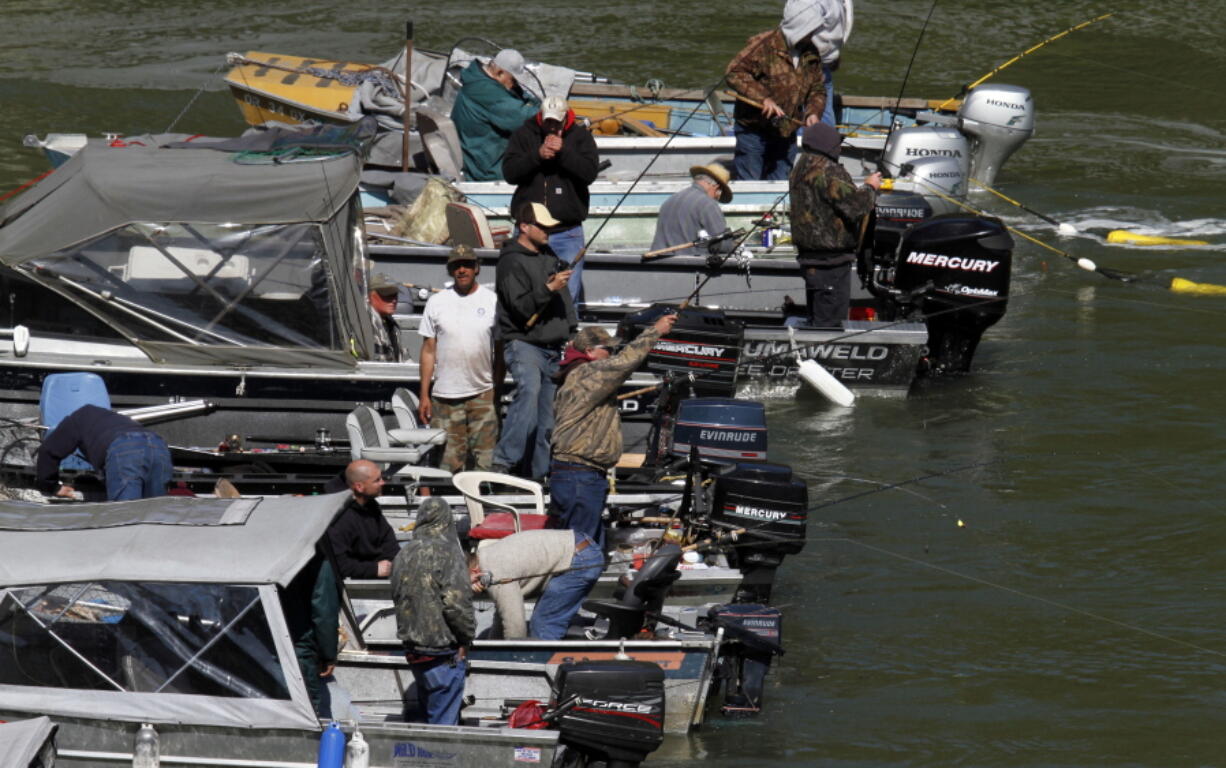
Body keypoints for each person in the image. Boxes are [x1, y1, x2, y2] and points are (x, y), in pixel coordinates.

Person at [550, 313, 677, 552]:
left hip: (578, 476)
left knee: (579, 547)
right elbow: (625, 361)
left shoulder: (576, 375)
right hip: (580, 477)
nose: (611, 354)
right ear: (589, 351)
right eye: (606, 349)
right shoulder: (586, 373)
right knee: (581, 554)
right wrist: (655, 330)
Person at [490, 202, 578, 480]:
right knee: (528, 393)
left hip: (553, 348)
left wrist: (572, 332)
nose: (548, 231)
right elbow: (520, 308)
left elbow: (564, 301)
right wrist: (549, 288)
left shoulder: (548, 256)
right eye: (542, 226)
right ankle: (502, 463)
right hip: (524, 343)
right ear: (524, 227)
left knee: (547, 419)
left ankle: (538, 477)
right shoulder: (510, 261)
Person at [503, 96, 599, 306]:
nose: (552, 126)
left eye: (557, 122)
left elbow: (589, 173)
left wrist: (563, 152)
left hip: (567, 232)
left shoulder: (581, 137)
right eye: (548, 121)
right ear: (540, 117)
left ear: (566, 118)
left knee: (568, 296)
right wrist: (536, 156)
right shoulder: (524, 134)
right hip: (529, 231)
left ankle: (566, 337)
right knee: (524, 289)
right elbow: (509, 173)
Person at [788, 121, 881, 327]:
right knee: (830, 324)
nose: (839, 148)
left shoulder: (800, 166)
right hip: (831, 262)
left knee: (817, 316)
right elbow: (856, 206)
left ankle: (812, 353)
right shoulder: (828, 170)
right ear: (826, 144)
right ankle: (824, 357)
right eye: (837, 143)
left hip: (810, 258)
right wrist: (870, 187)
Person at [391, 497, 474, 725]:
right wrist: (466, 638)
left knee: (428, 711)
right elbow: (455, 604)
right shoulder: (449, 554)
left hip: (413, 648)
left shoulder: (403, 554)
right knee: (443, 724)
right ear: (447, 522)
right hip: (442, 649)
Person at [725, 0, 829, 180]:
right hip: (754, 130)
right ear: (799, 26)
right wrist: (763, 98)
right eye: (809, 29)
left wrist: (813, 112)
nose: (812, 34)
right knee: (749, 181)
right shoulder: (763, 45)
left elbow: (818, 88)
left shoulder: (811, 53)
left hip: (786, 132)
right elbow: (734, 72)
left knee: (781, 183)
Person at [418, 245, 499, 473]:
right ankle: (449, 506)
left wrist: (497, 387)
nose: (461, 270)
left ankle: (483, 506)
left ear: (477, 269)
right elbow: (428, 350)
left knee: (485, 460)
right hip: (445, 396)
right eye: (456, 266)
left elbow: (500, 350)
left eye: (466, 265)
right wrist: (424, 395)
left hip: (482, 392)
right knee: (448, 463)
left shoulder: (492, 301)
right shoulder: (436, 302)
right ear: (450, 270)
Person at [468, 528, 603, 640]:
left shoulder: (495, 571)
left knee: (544, 624)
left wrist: (513, 661)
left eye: (464, 582)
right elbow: (504, 612)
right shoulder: (485, 557)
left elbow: (515, 626)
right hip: (579, 547)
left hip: (580, 559)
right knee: (549, 616)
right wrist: (492, 650)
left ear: (474, 570)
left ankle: (541, 667)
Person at [35, 404, 172, 501]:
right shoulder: (115, 420)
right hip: (160, 448)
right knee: (155, 514)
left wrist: (51, 486)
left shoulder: (79, 417)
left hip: (126, 450)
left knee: (126, 517)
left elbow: (49, 450)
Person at [450, 49, 542, 181]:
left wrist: (526, 97)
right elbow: (524, 119)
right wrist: (549, 110)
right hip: (487, 170)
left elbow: (523, 101)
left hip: (477, 154)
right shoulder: (488, 93)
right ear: (499, 73)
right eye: (513, 80)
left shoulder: (477, 80)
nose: (514, 85)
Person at [280, 548, 339, 716]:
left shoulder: (258, 548)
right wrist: (328, 655)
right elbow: (324, 611)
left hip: (258, 649)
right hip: (300, 652)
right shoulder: (315, 557)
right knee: (306, 718)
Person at [326, 459, 401, 580]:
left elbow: (389, 543)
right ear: (359, 487)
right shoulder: (339, 518)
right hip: (357, 582)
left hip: (382, 570)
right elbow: (339, 564)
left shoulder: (371, 506)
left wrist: (397, 563)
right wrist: (375, 569)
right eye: (377, 480)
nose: (383, 483)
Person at [649, 163, 738, 257]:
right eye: (719, 194)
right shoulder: (708, 204)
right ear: (716, 188)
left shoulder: (670, 200)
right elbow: (722, 245)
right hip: (688, 266)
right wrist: (734, 244)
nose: (717, 198)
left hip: (658, 262)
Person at [368, 272, 404, 362]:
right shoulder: (365, 323)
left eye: (395, 295)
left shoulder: (389, 323)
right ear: (370, 296)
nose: (394, 300)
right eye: (387, 295)